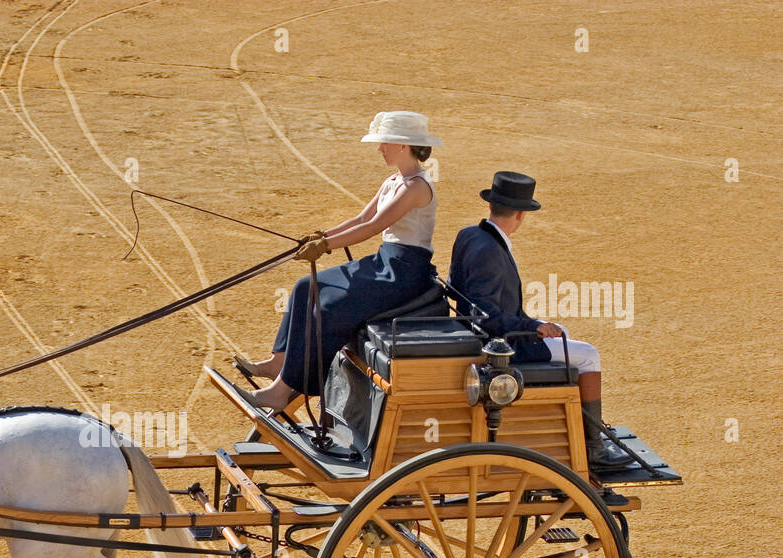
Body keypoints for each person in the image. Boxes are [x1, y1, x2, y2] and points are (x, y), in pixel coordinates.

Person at [241, 111, 441, 410]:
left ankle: (281, 391)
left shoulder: (416, 187)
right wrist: (321, 236)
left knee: (329, 307)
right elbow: (362, 217)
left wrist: (326, 246)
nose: (379, 148)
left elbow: (373, 227)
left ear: (402, 145)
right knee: (305, 286)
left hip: (403, 273)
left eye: (384, 142)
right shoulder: (395, 180)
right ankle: (277, 362)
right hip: (385, 261)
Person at [449, 171, 630, 472]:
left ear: (491, 205)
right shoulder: (490, 250)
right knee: (589, 356)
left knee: (563, 335)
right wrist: (532, 327)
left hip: (483, 334)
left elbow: (466, 293)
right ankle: (594, 447)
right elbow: (487, 315)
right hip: (500, 348)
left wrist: (535, 323)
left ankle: (579, 423)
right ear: (520, 214)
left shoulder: (471, 235)